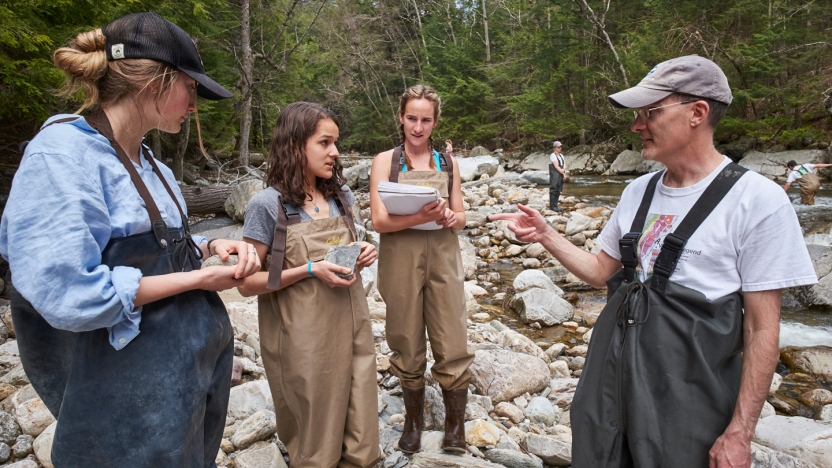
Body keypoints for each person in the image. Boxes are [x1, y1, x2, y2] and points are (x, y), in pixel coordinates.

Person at [492, 55, 816, 468]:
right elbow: (599, 272)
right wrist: (546, 236)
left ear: (698, 113)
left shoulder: (758, 201)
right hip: (609, 391)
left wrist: (739, 433)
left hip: (689, 404)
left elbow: (762, 327)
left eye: (650, 112)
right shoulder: (637, 192)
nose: (637, 125)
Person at [0, 12, 261, 466]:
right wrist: (198, 282)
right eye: (191, 86)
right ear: (155, 83)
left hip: (183, 388)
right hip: (121, 406)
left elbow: (156, 254)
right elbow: (70, 294)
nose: (195, 103)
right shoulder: (62, 155)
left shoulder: (152, 164)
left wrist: (211, 249)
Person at [238, 102, 381, 468]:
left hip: (353, 326)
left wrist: (365, 249)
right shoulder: (267, 206)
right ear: (295, 144)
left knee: (362, 431)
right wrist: (309, 270)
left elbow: (350, 248)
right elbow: (247, 284)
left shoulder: (342, 198)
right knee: (315, 443)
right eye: (325, 142)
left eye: (335, 143)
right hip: (302, 339)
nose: (335, 152)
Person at [369, 84, 473, 454]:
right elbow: (379, 222)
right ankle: (413, 423)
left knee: (452, 337)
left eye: (425, 120)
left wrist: (447, 216)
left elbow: (461, 218)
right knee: (405, 339)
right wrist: (418, 216)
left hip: (443, 256)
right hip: (400, 258)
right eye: (411, 118)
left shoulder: (448, 163)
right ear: (401, 117)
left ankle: (455, 426)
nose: (417, 126)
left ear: (435, 122)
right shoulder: (385, 160)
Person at [549, 141, 566, 211]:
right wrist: (562, 172)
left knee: (559, 189)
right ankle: (552, 206)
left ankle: (555, 205)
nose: (560, 148)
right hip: (555, 174)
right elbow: (556, 166)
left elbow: (564, 164)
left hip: (560, 173)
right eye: (558, 147)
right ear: (555, 148)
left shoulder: (561, 156)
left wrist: (564, 172)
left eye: (560, 147)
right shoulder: (552, 155)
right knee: (554, 189)